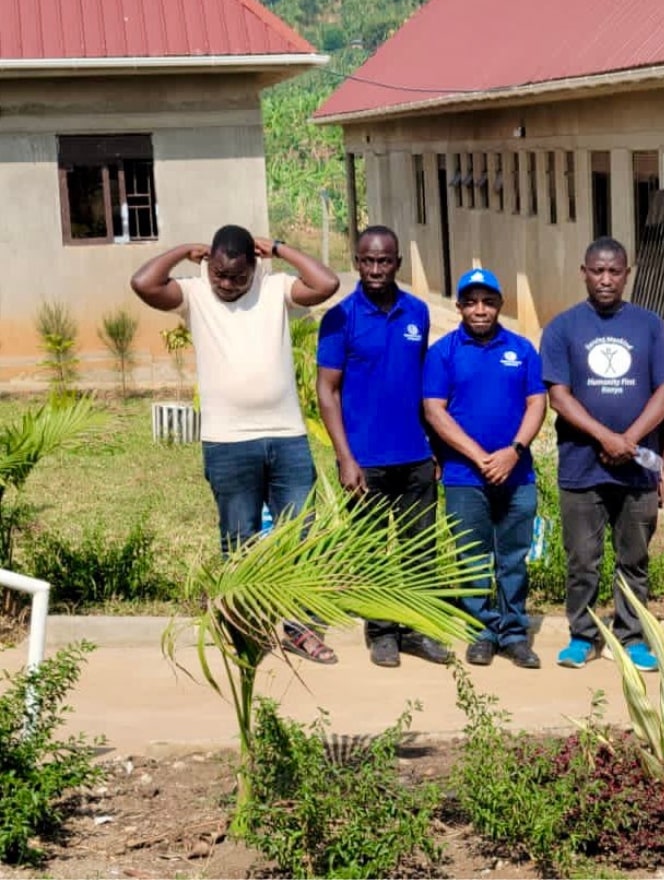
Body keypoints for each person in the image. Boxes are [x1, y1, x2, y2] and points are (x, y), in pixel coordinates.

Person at [129, 224, 342, 664]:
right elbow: (143, 283)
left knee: (300, 537)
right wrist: (180, 250)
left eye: (237, 276)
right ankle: (247, 628)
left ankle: (300, 630)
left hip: (287, 438)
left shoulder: (276, 287)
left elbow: (327, 283)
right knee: (239, 539)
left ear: (255, 264)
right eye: (219, 275)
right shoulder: (194, 295)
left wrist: (280, 248)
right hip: (227, 443)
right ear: (208, 266)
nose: (226, 285)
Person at [540, 237, 664, 669]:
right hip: (582, 468)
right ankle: (581, 634)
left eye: (613, 271)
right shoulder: (562, 328)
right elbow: (558, 397)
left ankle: (632, 636)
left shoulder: (650, 325)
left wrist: (629, 440)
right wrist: (606, 438)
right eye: (597, 271)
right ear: (583, 272)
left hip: (636, 471)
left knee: (634, 559)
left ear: (626, 274)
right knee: (582, 559)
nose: (605, 279)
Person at [316, 225, 449, 668]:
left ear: (398, 263)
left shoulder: (417, 313)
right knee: (370, 550)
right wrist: (345, 457)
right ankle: (381, 633)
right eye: (368, 260)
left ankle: (414, 629)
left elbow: (423, 383)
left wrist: (434, 447)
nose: (376, 269)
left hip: (415, 456)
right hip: (365, 462)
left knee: (419, 549)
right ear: (357, 261)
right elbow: (327, 391)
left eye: (384, 260)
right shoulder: (340, 317)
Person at [424, 268, 547, 669]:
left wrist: (513, 450)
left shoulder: (522, 349)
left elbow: (537, 404)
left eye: (488, 302)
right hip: (464, 477)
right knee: (472, 557)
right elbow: (434, 410)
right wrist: (480, 457)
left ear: (499, 305)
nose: (480, 310)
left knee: (513, 556)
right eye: (472, 302)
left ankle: (513, 633)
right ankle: (480, 631)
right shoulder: (442, 352)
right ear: (459, 306)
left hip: (517, 474)